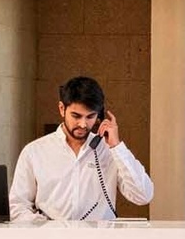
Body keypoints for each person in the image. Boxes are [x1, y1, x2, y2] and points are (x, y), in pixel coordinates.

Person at [10, 76, 154, 221]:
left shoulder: (109, 151)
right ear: (62, 109)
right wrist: (47, 228)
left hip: (100, 235)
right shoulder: (34, 152)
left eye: (90, 117)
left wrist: (117, 147)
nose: (83, 124)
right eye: (76, 116)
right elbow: (17, 207)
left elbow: (143, 196)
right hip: (51, 234)